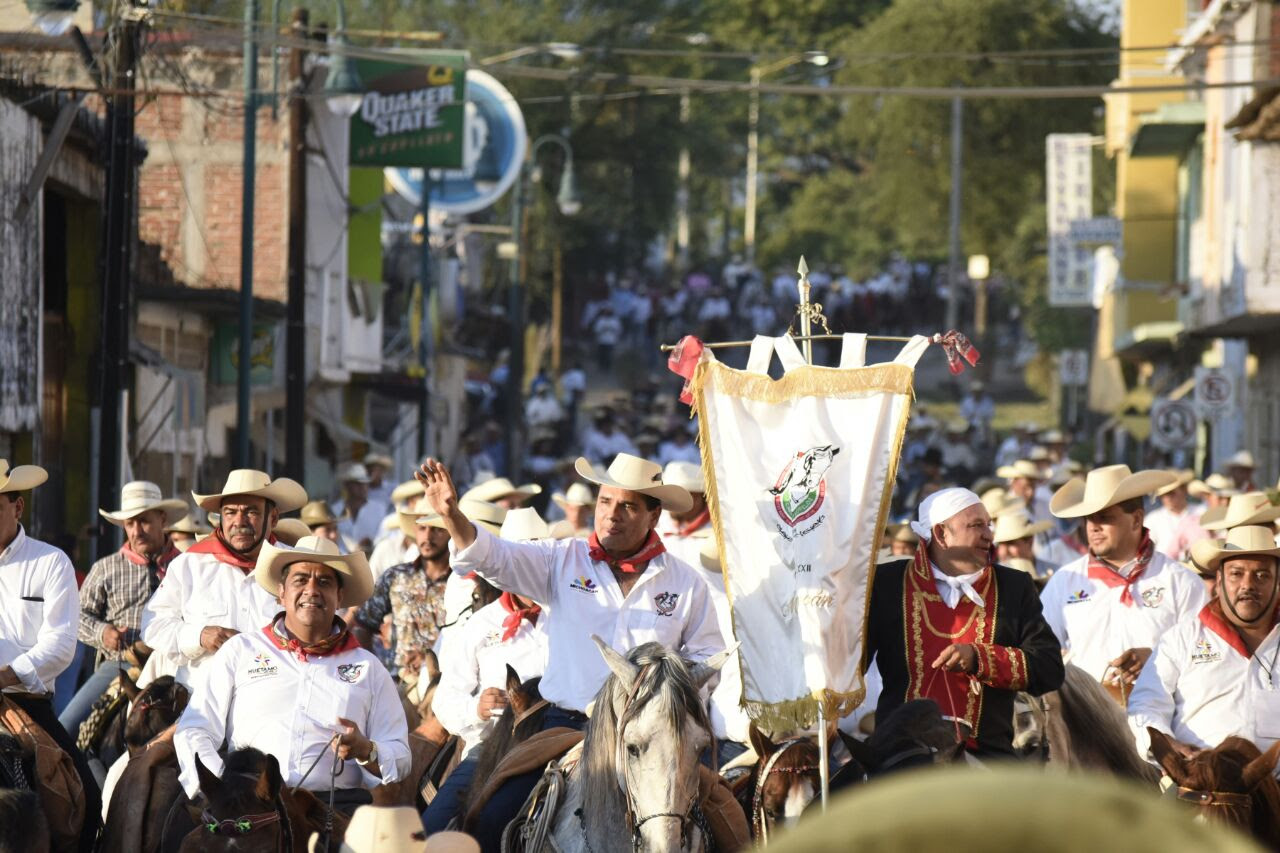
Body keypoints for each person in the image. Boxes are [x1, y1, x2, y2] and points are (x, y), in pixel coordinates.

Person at [416, 452, 724, 849]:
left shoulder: (686, 582)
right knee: (490, 819)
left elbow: (707, 657)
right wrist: (452, 516)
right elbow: (498, 558)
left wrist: (668, 705)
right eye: (605, 502)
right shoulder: (562, 559)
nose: (612, 514)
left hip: (655, 737)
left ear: (653, 515)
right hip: (566, 727)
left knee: (728, 822)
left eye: (628, 505)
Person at [174, 536, 410, 809]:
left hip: (332, 809)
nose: (312, 590)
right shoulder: (240, 650)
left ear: (339, 596)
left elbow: (401, 757)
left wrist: (366, 750)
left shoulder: (369, 668)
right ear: (281, 593)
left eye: (324, 582)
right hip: (248, 809)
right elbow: (194, 730)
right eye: (300, 580)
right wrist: (222, 786)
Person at [864, 488, 1064, 756]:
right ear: (941, 534)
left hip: (985, 755)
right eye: (976, 525)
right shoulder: (888, 584)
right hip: (899, 756)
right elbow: (851, 660)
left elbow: (1049, 668)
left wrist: (980, 659)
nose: (989, 535)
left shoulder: (1013, 587)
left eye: (989, 525)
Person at [423, 509, 551, 833]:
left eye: (534, 555)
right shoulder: (480, 624)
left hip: (562, 740)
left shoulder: (568, 613)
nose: (527, 566)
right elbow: (446, 699)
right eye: (519, 556)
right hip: (495, 746)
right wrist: (476, 708)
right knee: (433, 827)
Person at [0, 460, 99, 848]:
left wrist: (6, 674)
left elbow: (59, 646)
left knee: (87, 802)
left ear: (17, 506)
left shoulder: (50, 561)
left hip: (26, 702)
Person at [1040, 465, 1207, 692]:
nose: (1094, 527)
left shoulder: (1180, 582)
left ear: (1136, 520)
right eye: (1089, 519)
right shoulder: (1064, 581)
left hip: (1160, 719)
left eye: (1105, 518)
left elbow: (1204, 659)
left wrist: (1157, 658)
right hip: (1085, 721)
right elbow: (1040, 651)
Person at [142, 469, 307, 688]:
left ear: (273, 518)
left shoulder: (297, 567)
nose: (239, 521)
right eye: (230, 512)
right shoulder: (190, 565)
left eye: (251, 512)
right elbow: (153, 625)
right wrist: (200, 636)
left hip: (274, 704)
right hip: (199, 702)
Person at [1128, 525, 1280, 760]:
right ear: (1219, 580)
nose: (1248, 585)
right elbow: (1147, 703)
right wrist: (1168, 745)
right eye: (1236, 574)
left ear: (1277, 581)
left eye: (1262, 575)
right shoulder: (1181, 638)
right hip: (1197, 784)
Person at [59, 482, 186, 735]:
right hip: (120, 666)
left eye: (144, 521)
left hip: (177, 665)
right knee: (66, 729)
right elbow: (76, 616)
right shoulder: (105, 568)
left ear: (162, 519)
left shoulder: (187, 566)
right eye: (130, 523)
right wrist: (103, 632)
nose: (136, 531)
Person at [654, 461, 712, 568]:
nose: (674, 501)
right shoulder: (653, 526)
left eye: (683, 496)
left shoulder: (720, 532)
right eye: (670, 495)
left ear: (701, 498)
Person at [1145, 471, 1210, 561]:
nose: (1167, 498)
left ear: (1184, 490)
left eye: (1171, 493)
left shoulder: (1201, 512)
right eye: (1163, 495)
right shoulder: (1153, 519)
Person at [335, 463, 384, 551]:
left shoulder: (379, 509)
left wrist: (371, 542)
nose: (363, 487)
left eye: (365, 483)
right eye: (357, 484)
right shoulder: (335, 510)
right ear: (347, 486)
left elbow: (384, 535)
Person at [992, 510, 1055, 577]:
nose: (1004, 552)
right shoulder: (994, 580)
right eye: (1000, 545)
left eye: (1010, 543)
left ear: (1029, 541)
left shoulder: (1056, 574)